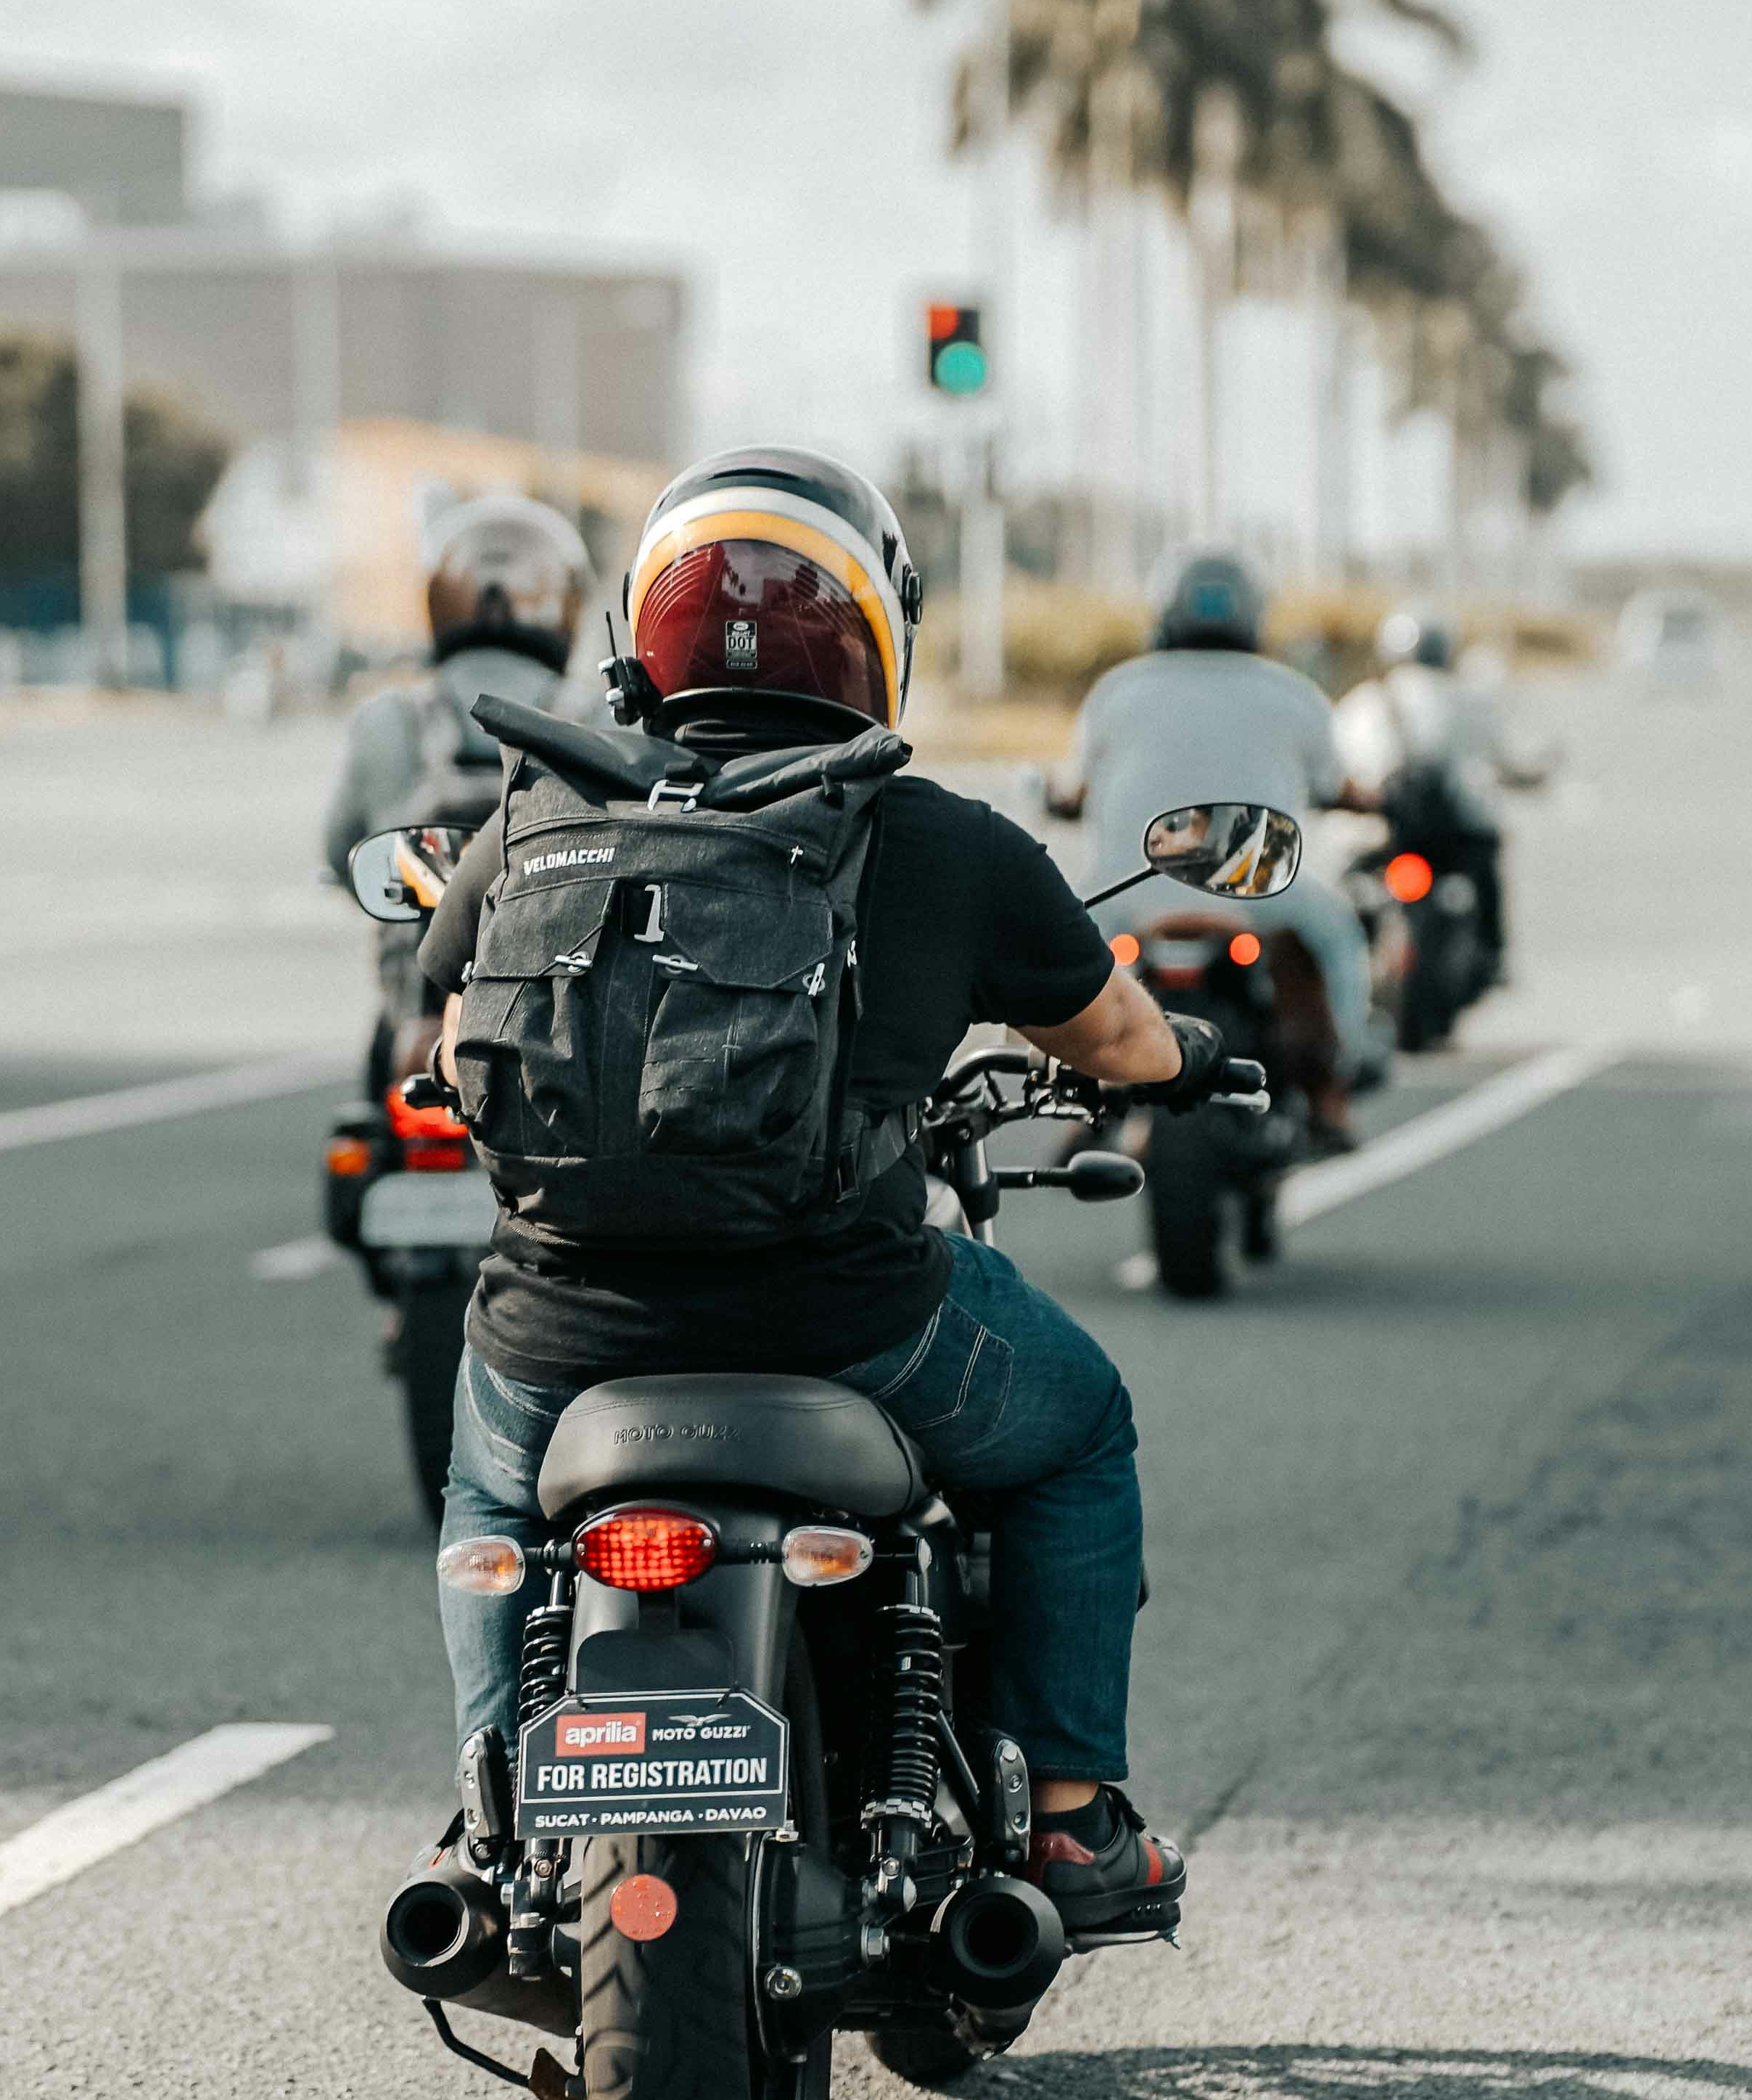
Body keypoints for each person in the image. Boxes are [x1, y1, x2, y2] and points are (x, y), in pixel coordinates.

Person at [417, 444, 1210, 1935]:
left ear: (639, 632)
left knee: (486, 1498)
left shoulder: (530, 818)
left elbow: (442, 1029)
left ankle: (489, 1815)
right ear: (877, 630)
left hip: (560, 1332)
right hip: (851, 1320)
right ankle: (1070, 1818)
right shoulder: (938, 839)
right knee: (1078, 1424)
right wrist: (1181, 1064)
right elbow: (1119, 1037)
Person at [1054, 546, 1379, 1149]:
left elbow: (1072, 785)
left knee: (1057, 955)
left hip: (1131, 892)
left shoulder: (1116, 690)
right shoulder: (1294, 693)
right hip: (1263, 893)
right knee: (1338, 937)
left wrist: (1064, 797)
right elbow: (1339, 785)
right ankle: (1333, 1092)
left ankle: (1080, 1099)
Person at [322, 496, 601, 1093]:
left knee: (365, 1129)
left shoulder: (385, 720)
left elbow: (342, 853)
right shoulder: (597, 718)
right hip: (564, 1034)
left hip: (417, 1032)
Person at [1333, 606, 1513, 974]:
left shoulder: (1364, 701)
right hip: (1454, 834)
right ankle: (1494, 955)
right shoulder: (1468, 699)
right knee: (1488, 876)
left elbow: (1334, 768)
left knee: (1340, 896)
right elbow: (1504, 760)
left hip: (1381, 835)